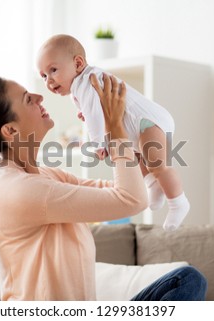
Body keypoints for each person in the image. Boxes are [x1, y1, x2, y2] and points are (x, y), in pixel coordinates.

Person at [0, 72, 207, 301]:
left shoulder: (44, 176)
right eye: (28, 99)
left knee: (185, 281)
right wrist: (114, 130)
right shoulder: (20, 190)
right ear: (11, 131)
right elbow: (131, 199)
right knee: (188, 281)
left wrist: (139, 139)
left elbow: (121, 190)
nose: (40, 97)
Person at [36, 34, 190, 231]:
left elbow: (94, 114)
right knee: (138, 162)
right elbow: (95, 113)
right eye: (43, 76)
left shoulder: (86, 82)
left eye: (53, 70)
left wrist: (98, 144)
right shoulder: (80, 86)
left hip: (147, 121)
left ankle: (178, 202)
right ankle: (155, 186)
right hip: (135, 127)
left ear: (78, 63)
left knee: (158, 165)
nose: (49, 81)